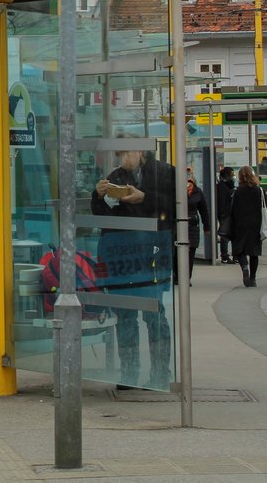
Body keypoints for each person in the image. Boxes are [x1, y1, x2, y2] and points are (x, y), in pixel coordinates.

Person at [91, 143, 176, 390]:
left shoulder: (164, 173)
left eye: (127, 153)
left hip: (152, 253)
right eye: (120, 154)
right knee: (125, 315)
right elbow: (100, 216)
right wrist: (98, 195)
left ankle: (160, 373)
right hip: (122, 255)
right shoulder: (115, 177)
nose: (124, 159)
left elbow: (177, 206)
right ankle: (129, 373)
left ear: (141, 151)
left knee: (154, 314)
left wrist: (145, 197)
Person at [229, 165, 266, 287]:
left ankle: (244, 266)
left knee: (240, 249)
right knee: (254, 252)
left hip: (240, 224)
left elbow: (233, 209)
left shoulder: (237, 191)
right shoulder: (258, 190)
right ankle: (253, 278)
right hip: (255, 224)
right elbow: (263, 207)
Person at [185, 170, 210, 283]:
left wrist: (207, 226)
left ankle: (186, 277)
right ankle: (181, 276)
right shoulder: (176, 190)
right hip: (182, 225)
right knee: (182, 252)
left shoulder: (197, 192)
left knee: (190, 253)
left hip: (191, 225)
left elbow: (204, 210)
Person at [215, 166, 236, 264]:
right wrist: (223, 214)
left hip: (230, 213)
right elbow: (222, 202)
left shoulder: (228, 186)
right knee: (225, 235)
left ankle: (233, 255)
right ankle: (224, 255)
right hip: (225, 214)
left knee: (231, 234)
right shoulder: (222, 187)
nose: (233, 177)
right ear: (227, 175)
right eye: (232, 175)